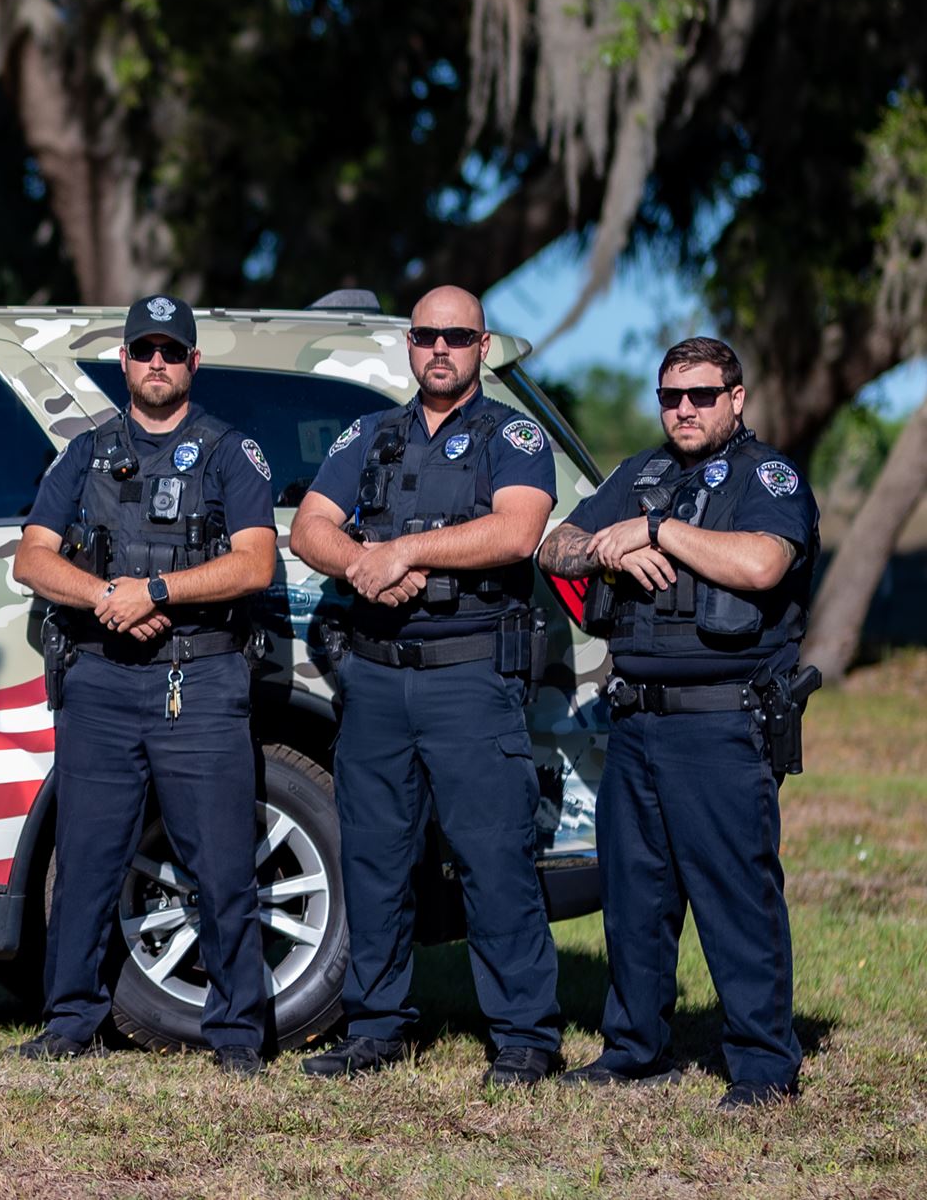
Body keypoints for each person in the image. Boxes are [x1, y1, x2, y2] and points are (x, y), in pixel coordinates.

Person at [287, 286, 564, 1085]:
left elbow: (517, 530)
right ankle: (376, 1027)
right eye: (427, 335)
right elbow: (310, 527)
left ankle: (524, 1036)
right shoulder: (369, 434)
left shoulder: (512, 435)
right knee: (374, 860)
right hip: (375, 677)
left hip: (468, 677)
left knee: (494, 858)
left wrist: (406, 552)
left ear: (483, 346)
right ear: (409, 345)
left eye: (458, 336)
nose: (441, 348)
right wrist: (360, 564)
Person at [537, 336, 817, 1109]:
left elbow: (762, 563)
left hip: (722, 724)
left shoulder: (766, 476)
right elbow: (553, 546)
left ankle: (763, 1066)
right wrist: (606, 550)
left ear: (737, 398)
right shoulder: (641, 473)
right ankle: (635, 1051)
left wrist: (657, 532)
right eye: (670, 397)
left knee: (736, 897)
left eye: (701, 395)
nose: (684, 409)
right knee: (636, 898)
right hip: (635, 720)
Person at [4, 295, 278, 1075]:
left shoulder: (231, 452)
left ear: (194, 362)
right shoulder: (86, 453)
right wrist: (106, 597)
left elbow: (256, 563)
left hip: (200, 679)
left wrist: (155, 593)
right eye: (144, 350)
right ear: (123, 361)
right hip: (101, 681)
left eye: (172, 351)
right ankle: (70, 1022)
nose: (158, 362)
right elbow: (31, 557)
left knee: (221, 866)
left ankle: (238, 1035)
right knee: (86, 862)